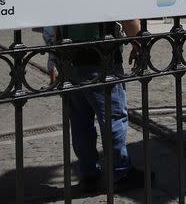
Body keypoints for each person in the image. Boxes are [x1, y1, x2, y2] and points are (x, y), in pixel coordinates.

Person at [58, 19, 147, 193]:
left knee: (80, 122)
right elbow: (126, 14)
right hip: (101, 56)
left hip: (69, 57)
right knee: (113, 119)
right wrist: (140, 43)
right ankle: (120, 172)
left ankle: (89, 172)